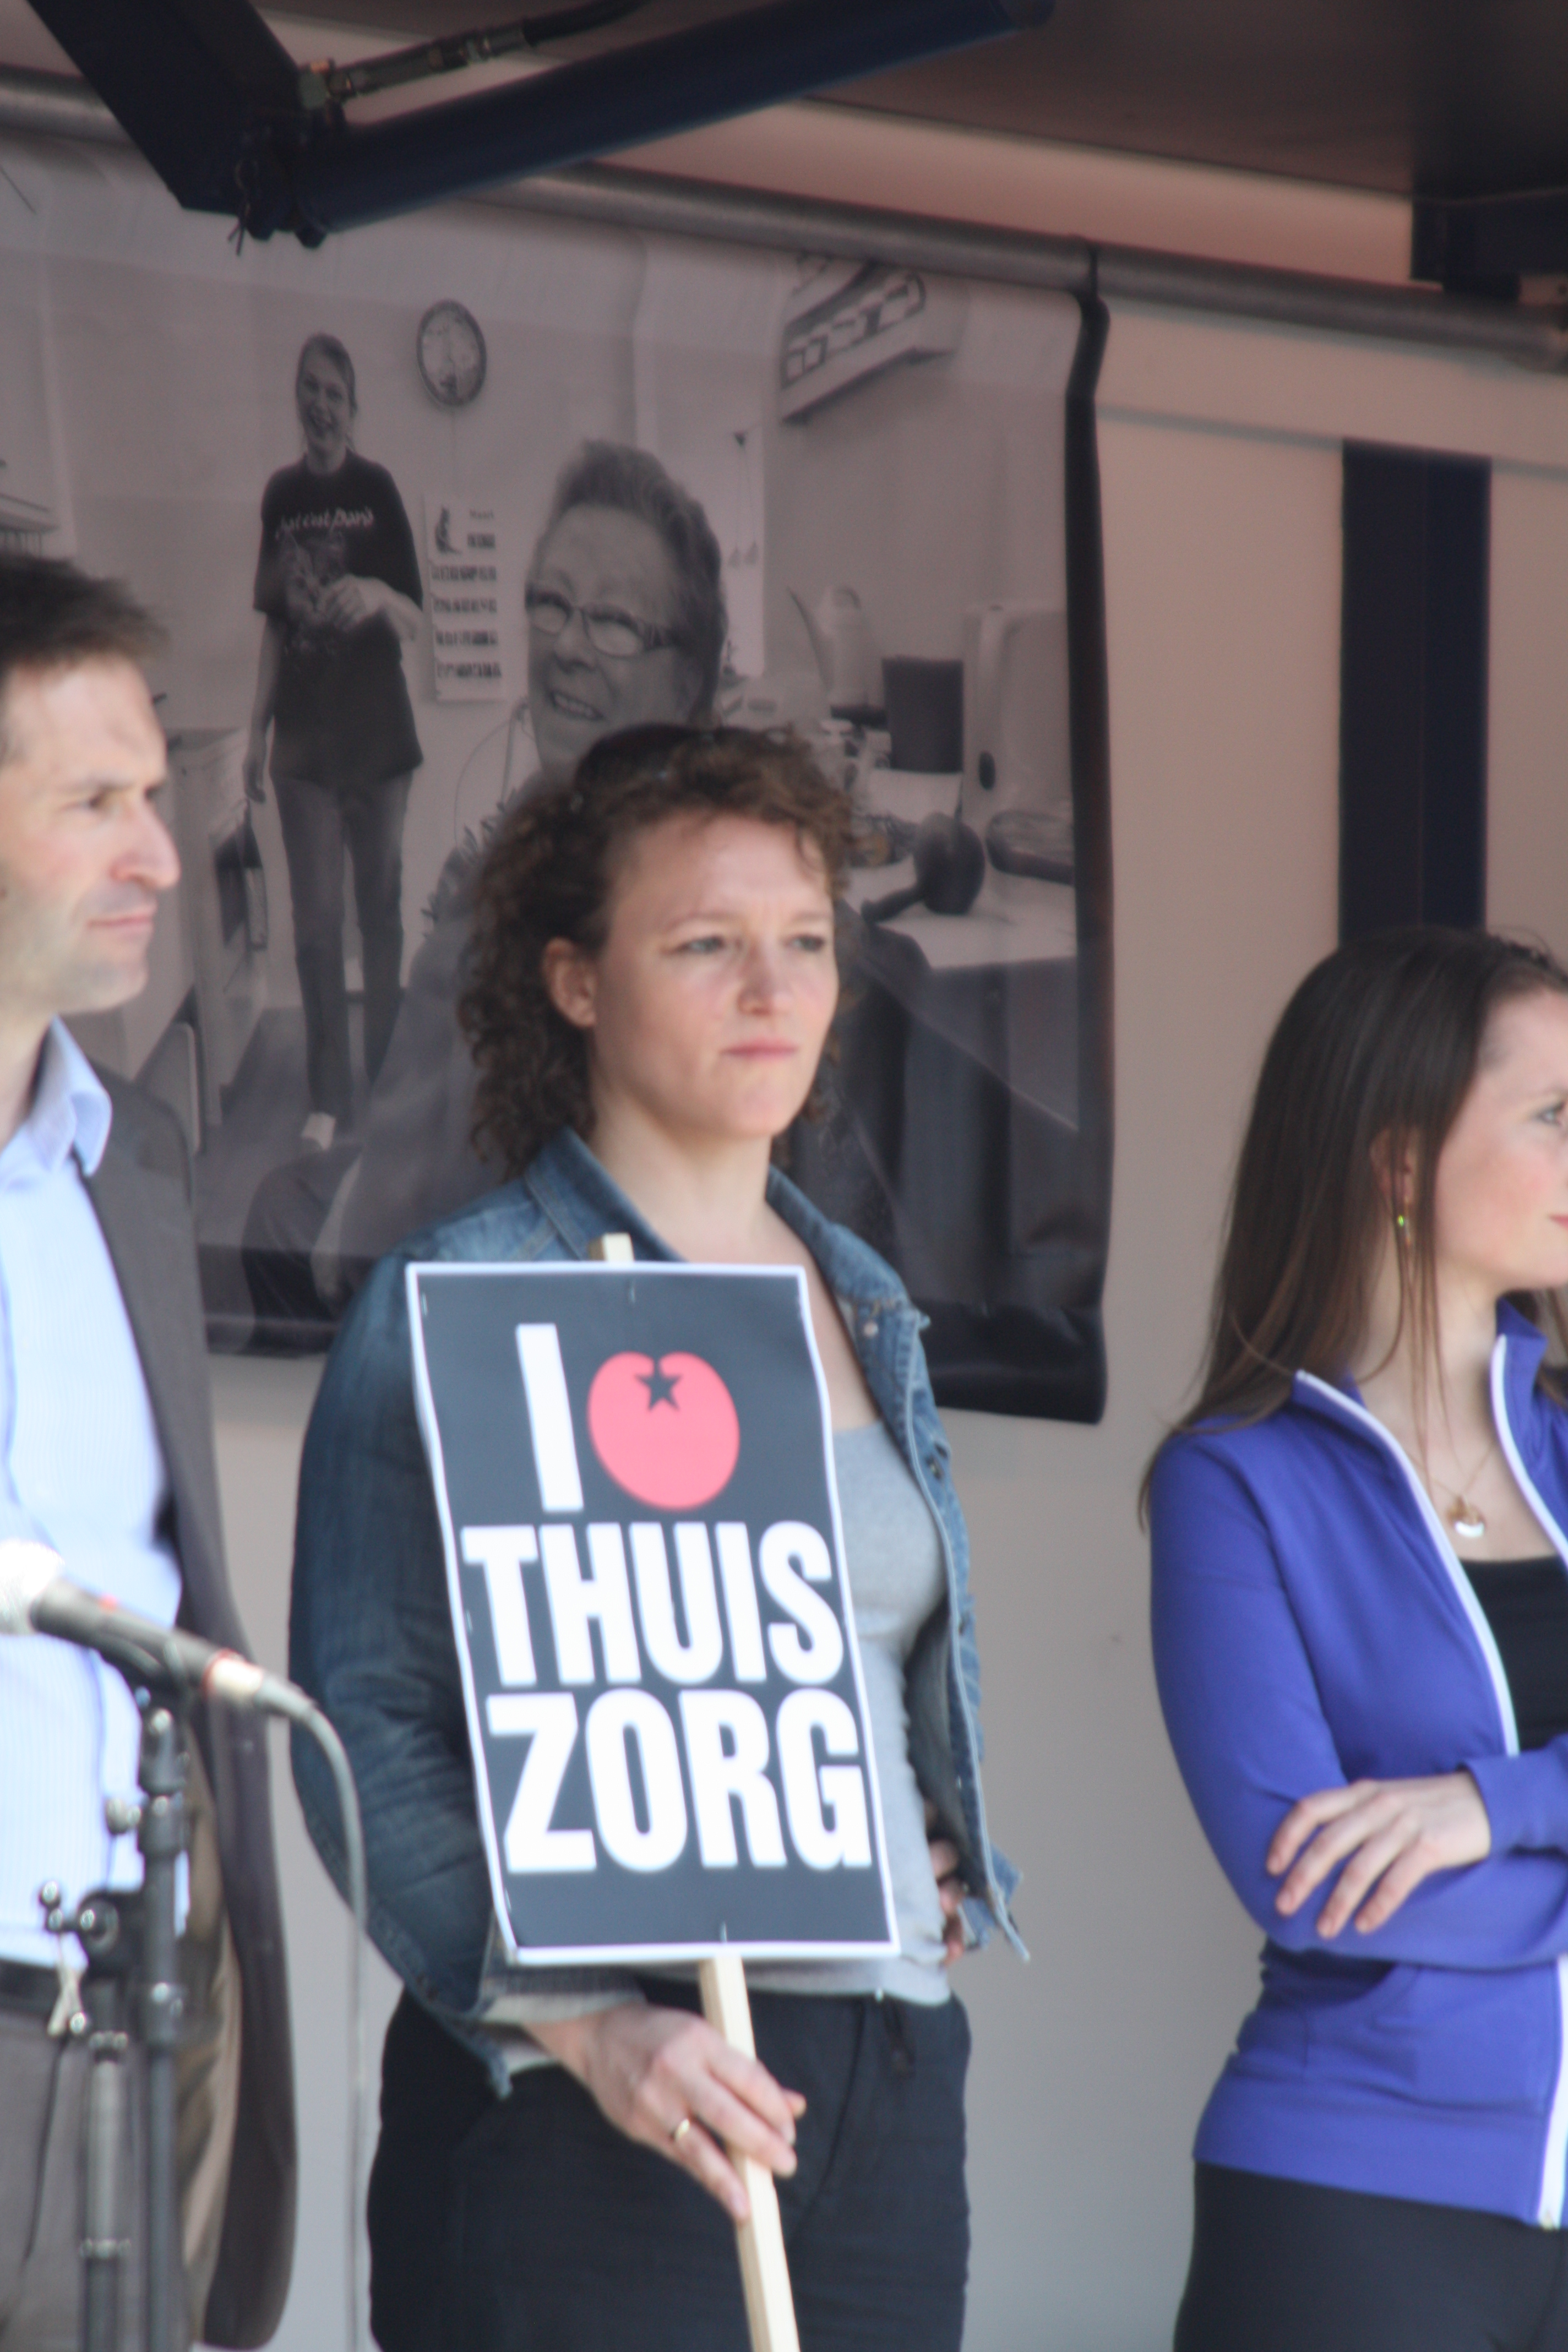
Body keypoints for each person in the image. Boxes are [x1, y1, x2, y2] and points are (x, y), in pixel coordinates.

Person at [288, 723, 1021, 2352]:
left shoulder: (862, 1298)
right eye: (704, 946)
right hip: (593, 2097)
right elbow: (364, 1734)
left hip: (886, 2075)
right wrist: (586, 2026)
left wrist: (914, 1837)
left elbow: (862, 1651)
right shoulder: (461, 1302)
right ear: (574, 982)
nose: (773, 990)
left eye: (805, 943)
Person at [1148, 927, 1568, 2352]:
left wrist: (1486, 1809)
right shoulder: (1235, 1481)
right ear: (1398, 1160)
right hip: (1349, 2199)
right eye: (1551, 1114)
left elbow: (1429, 1856)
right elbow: (1313, 1888)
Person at [0, 555, 294, 2349]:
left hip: (129, 2017)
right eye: (95, 802)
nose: (160, 859)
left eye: (155, 798)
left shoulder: (136, 1169)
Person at [242, 439, 723, 1342]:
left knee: (278, 1223)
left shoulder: (667, 890)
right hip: (447, 1191)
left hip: (503, 1285)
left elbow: (491, 1179)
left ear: (689, 677)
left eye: (615, 622)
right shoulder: (546, 811)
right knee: (281, 1199)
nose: (568, 646)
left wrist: (363, 1217)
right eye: (553, 605)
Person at [245, 330, 424, 1150]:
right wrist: (255, 729)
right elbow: (274, 628)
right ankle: (329, 1096)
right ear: (298, 398)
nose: (322, 404)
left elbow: (416, 620)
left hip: (380, 740)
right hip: (304, 750)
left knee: (380, 914)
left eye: (335, 393)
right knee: (316, 926)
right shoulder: (281, 496)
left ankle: (382, 1078)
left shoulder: (377, 489)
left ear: (354, 409)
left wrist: (378, 591)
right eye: (311, 389)